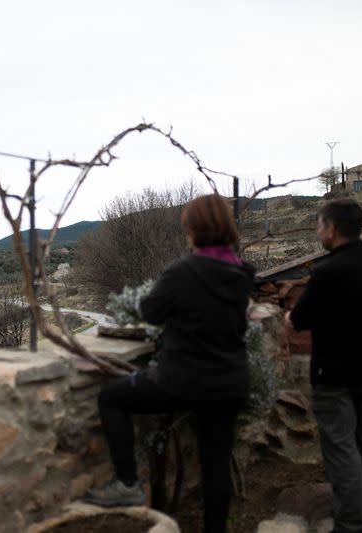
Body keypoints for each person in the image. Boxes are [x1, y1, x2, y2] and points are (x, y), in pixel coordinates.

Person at [84, 194, 255, 533]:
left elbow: (150, 311)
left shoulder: (183, 271)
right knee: (215, 466)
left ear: (194, 230)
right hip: (231, 382)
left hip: (182, 380)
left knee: (112, 398)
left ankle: (128, 485)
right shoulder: (242, 273)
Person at [285, 198, 362, 533]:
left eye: (318, 225)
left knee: (342, 451)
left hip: (334, 377)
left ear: (331, 229)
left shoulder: (327, 271)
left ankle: (350, 524)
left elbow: (298, 319)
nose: (317, 232)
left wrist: (288, 316)